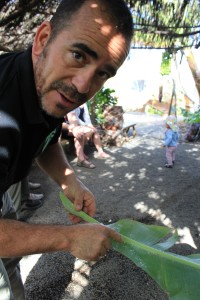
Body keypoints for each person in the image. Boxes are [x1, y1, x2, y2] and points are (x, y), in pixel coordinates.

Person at [0, 0, 133, 298]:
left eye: (102, 73)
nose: (83, 85)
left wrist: (69, 180)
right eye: (78, 55)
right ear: (43, 39)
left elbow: (45, 135)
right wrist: (68, 238)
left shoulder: (45, 83)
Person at [64, 103, 110, 169]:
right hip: (69, 127)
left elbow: (87, 117)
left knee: (94, 130)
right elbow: (74, 119)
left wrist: (90, 126)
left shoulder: (84, 103)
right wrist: (84, 126)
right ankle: (80, 158)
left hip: (77, 125)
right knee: (82, 131)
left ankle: (100, 152)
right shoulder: (72, 102)